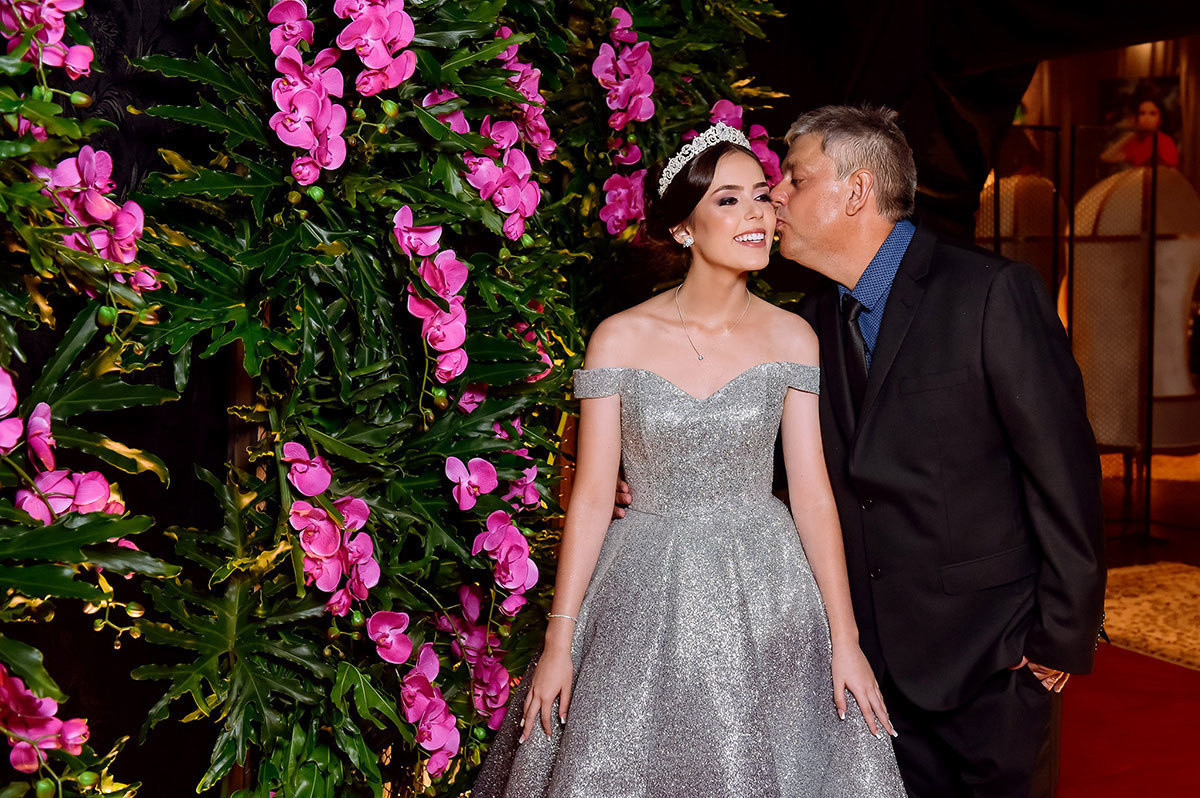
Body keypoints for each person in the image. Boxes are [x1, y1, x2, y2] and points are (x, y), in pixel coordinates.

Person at [472, 123, 907, 797]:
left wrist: (845, 640)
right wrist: (559, 644)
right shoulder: (618, 339)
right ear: (683, 228)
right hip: (641, 589)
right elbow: (591, 497)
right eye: (728, 200)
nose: (758, 212)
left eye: (761, 195)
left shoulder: (793, 336)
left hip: (768, 594)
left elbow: (814, 494)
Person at [753, 104, 1102, 797]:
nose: (776, 195)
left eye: (794, 177)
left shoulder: (991, 293)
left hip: (992, 662)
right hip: (869, 670)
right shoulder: (807, 324)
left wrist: (1055, 641)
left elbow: (1063, 470)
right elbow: (781, 470)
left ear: (855, 191)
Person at [1100, 97, 1180, 169]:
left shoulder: (1165, 141)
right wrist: (1131, 135)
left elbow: (1170, 170)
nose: (1146, 118)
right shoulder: (1136, 142)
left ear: (1160, 119)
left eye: (1152, 114)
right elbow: (1106, 157)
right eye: (1142, 113)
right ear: (1137, 118)